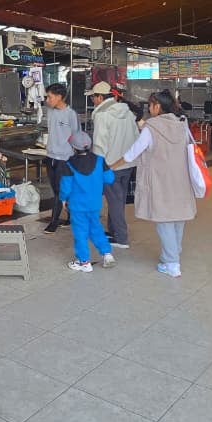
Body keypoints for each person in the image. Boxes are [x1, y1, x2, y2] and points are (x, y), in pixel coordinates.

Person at [110, 90, 199, 278]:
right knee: (178, 218)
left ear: (158, 106)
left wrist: (112, 166)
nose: (149, 109)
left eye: (150, 105)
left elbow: (132, 153)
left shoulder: (152, 127)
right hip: (181, 178)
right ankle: (174, 252)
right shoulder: (182, 124)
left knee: (163, 220)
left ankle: (172, 263)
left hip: (160, 180)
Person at [88, 81, 139, 248]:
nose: (92, 101)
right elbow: (135, 137)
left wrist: (96, 168)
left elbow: (99, 146)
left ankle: (121, 238)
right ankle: (114, 231)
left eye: (93, 98)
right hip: (127, 164)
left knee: (115, 202)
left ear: (100, 97)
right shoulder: (128, 113)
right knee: (118, 200)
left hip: (110, 166)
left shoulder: (103, 116)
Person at [57, 131, 116, 271]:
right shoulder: (100, 160)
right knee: (96, 228)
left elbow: (66, 187)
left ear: (73, 148)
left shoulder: (68, 165)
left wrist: (63, 199)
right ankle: (107, 254)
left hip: (77, 207)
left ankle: (84, 262)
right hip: (95, 204)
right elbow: (110, 178)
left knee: (80, 233)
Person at [42, 82, 79, 233]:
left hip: (65, 158)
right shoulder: (50, 112)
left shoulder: (71, 115)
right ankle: (72, 216)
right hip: (50, 156)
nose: (47, 100)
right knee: (58, 189)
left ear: (59, 97)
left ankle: (54, 222)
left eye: (49, 97)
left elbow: (76, 136)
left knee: (59, 191)